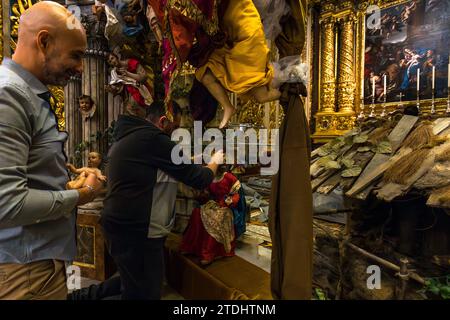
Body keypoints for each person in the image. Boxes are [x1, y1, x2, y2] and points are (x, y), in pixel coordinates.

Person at [0, 1, 103, 300]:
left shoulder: (26, 94)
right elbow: (6, 204)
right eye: (76, 55)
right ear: (44, 41)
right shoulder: (10, 96)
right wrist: (81, 195)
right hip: (26, 272)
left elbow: (28, 179)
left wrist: (68, 183)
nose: (81, 67)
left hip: (38, 265)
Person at [100, 100, 223, 300]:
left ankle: (76, 296)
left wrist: (199, 158)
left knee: (129, 281)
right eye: (174, 127)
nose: (173, 132)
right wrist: (215, 161)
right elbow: (199, 179)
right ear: (163, 121)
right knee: (145, 293)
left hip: (122, 225)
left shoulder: (132, 136)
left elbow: (170, 163)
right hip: (138, 231)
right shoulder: (154, 139)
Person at [180, 165, 246, 265]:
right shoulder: (210, 176)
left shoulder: (229, 177)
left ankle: (209, 253)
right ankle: (191, 247)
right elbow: (206, 193)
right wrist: (202, 195)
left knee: (215, 218)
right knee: (197, 213)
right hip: (212, 204)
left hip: (225, 207)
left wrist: (230, 201)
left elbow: (236, 195)